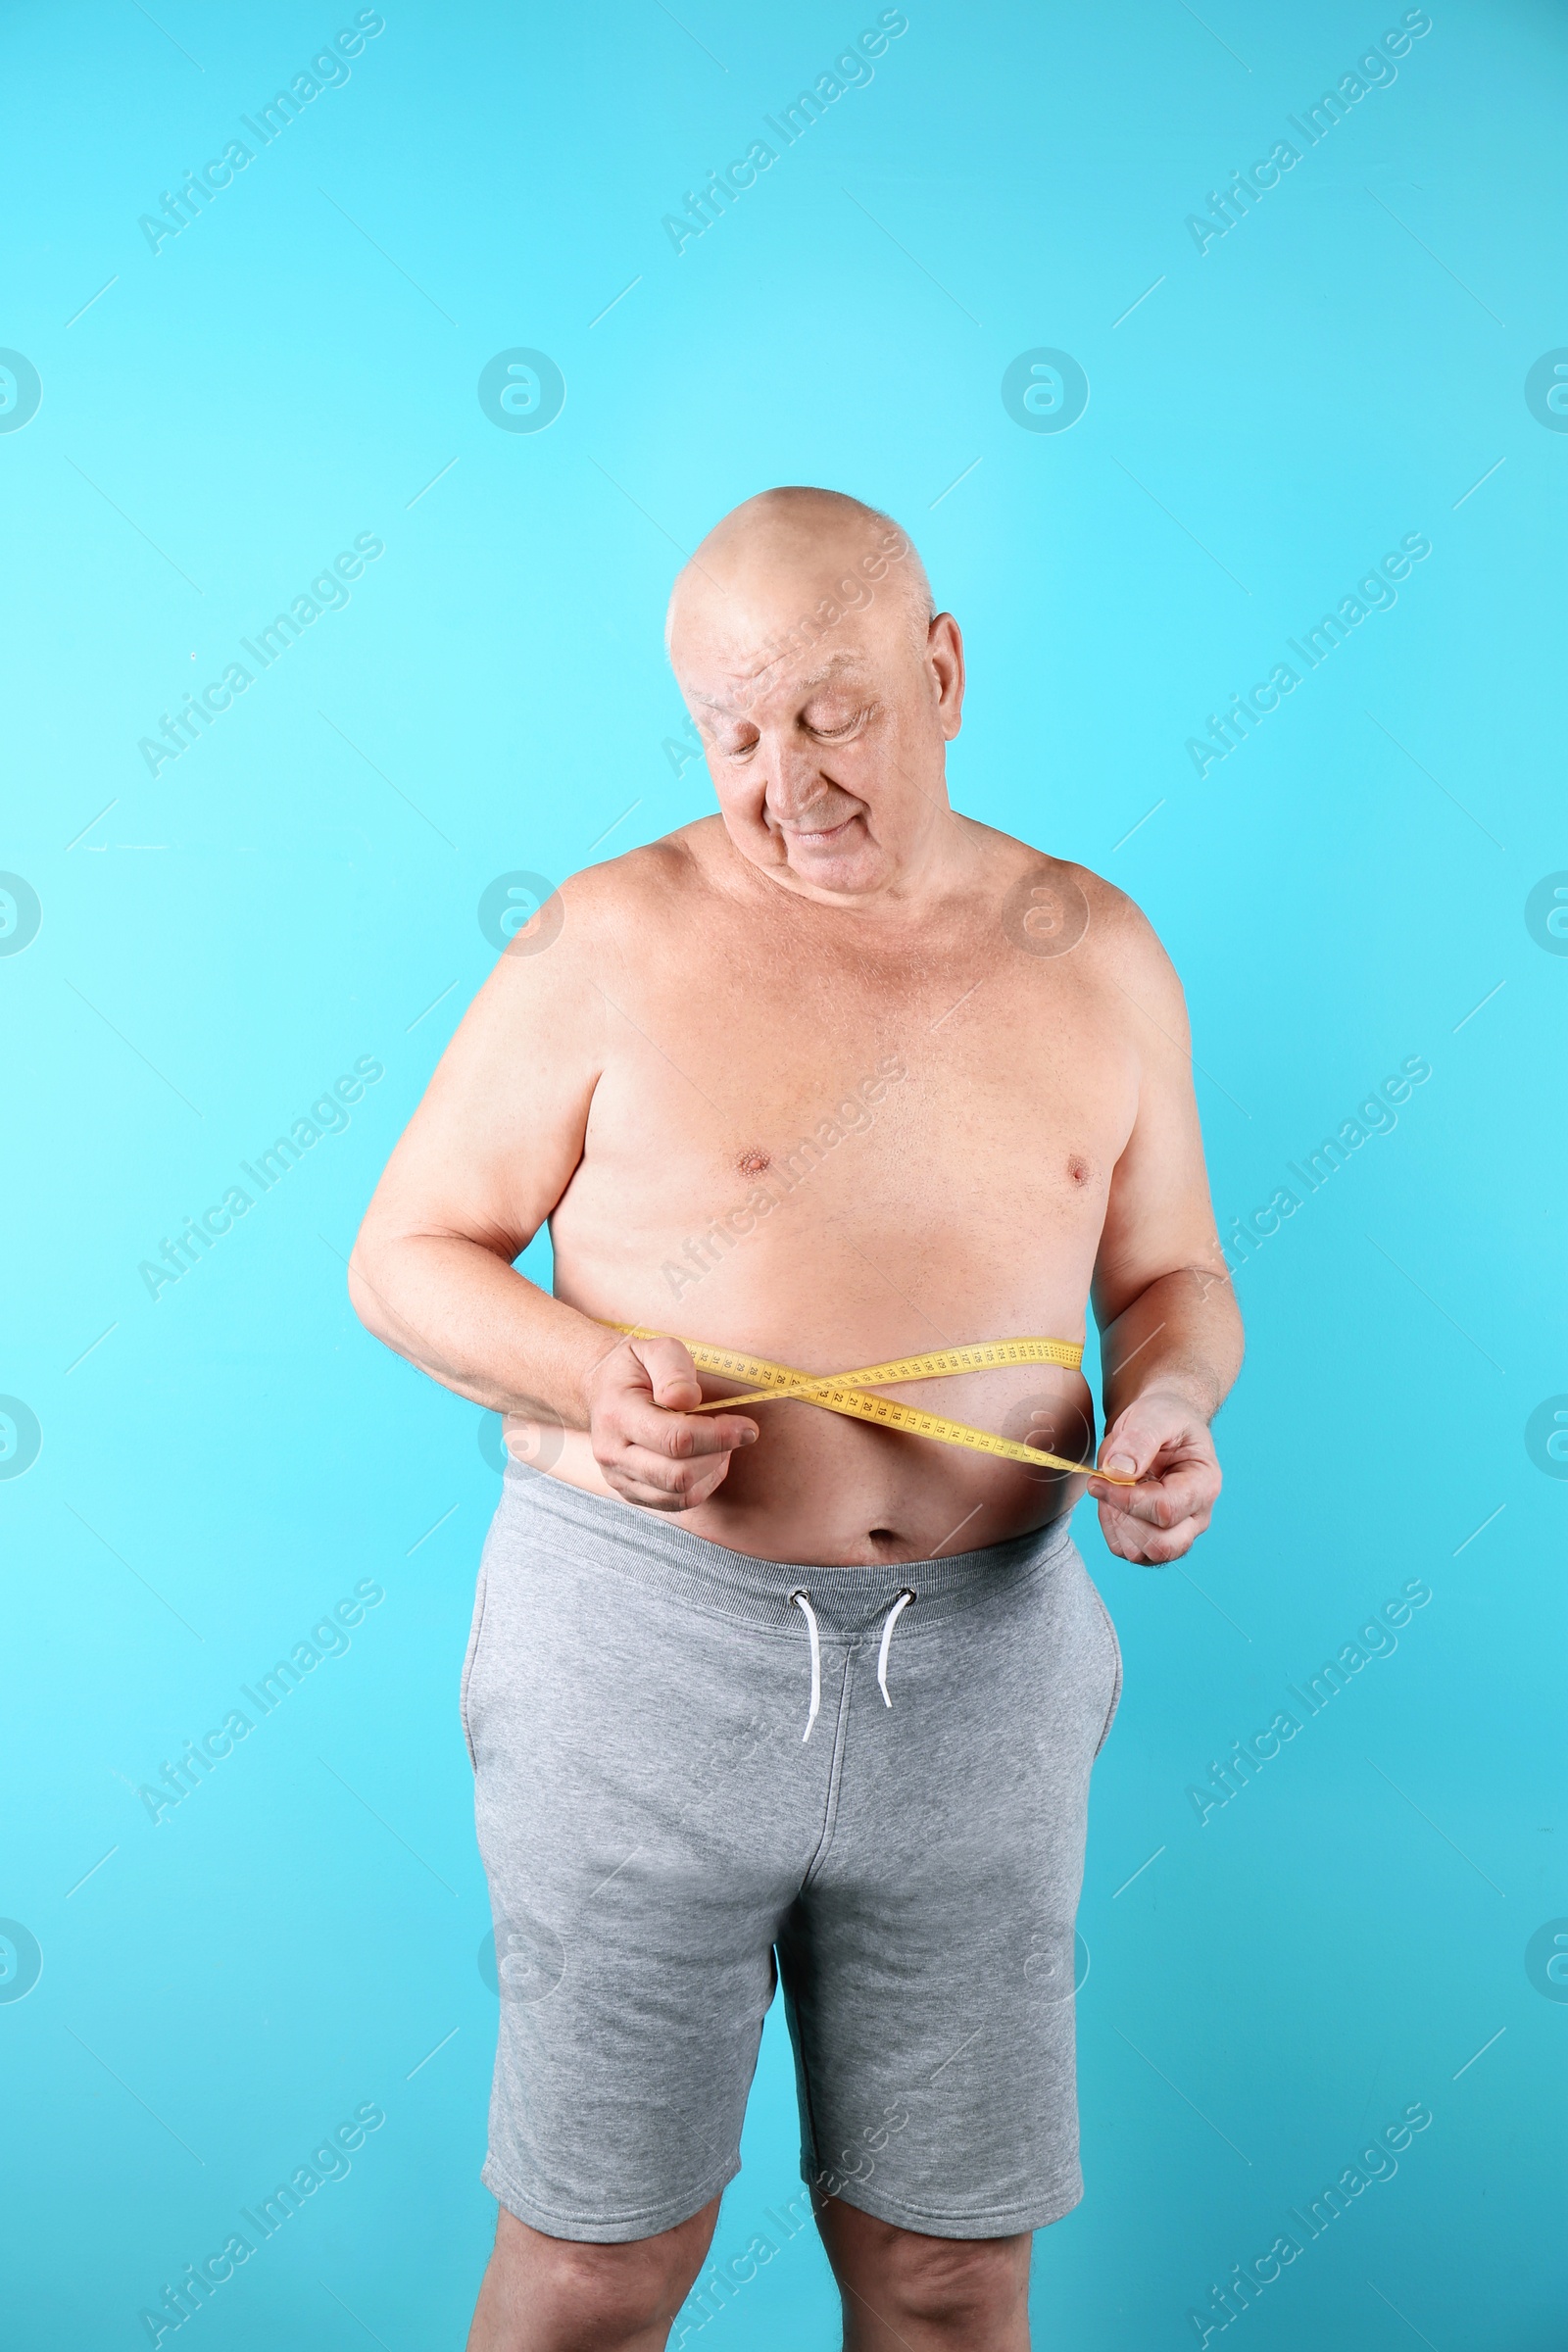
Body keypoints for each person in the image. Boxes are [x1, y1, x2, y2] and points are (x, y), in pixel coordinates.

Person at [350, 486, 1243, 2352]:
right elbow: (407, 1254)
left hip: (987, 1677)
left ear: (941, 671)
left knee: (946, 2276)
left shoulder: (1100, 950)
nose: (786, 781)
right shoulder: (603, 941)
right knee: (599, 2267)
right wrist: (584, 1376)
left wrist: (1168, 1400)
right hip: (644, 1659)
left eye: (830, 713)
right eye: (732, 732)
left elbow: (1171, 1281)